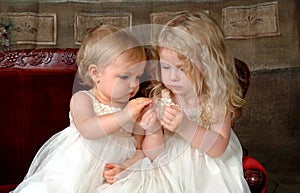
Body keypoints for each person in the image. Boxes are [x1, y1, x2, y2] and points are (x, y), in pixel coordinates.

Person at [101, 12, 251, 193]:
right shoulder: (161, 96)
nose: (172, 77)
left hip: (207, 167)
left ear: (207, 65)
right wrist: (154, 131)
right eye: (166, 67)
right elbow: (152, 154)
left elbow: (218, 148)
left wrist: (185, 127)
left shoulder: (216, 100)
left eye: (182, 69)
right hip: (166, 163)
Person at [10, 24, 152, 193]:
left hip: (113, 178)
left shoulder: (135, 109)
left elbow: (140, 150)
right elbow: (88, 129)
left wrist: (125, 167)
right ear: (96, 73)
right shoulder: (84, 99)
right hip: (76, 173)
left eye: (138, 76)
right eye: (125, 76)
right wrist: (126, 114)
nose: (134, 84)